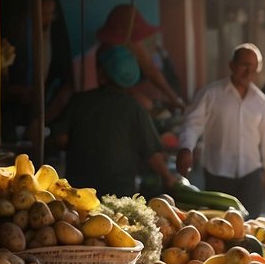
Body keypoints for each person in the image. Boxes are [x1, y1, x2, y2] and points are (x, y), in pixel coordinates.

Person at [51, 45, 177, 196]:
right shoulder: (135, 109)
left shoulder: (79, 101)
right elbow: (151, 153)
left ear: (103, 74)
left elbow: (59, 138)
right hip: (119, 195)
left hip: (79, 194)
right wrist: (168, 178)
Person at [176, 43, 265, 216]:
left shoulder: (261, 101)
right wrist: (186, 148)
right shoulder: (211, 94)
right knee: (220, 229)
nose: (248, 72)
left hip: (250, 175)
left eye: (253, 68)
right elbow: (192, 123)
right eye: (244, 65)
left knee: (251, 227)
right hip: (218, 174)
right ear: (232, 65)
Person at [0, 0, 75, 144]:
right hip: (13, 111)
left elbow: (65, 87)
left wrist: (43, 118)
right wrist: (12, 91)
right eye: (40, 14)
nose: (46, 18)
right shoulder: (13, 39)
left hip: (45, 111)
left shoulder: (55, 39)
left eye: (49, 14)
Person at [95, 4, 185, 111]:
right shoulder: (106, 53)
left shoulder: (132, 43)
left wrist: (173, 98)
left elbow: (151, 70)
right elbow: (115, 88)